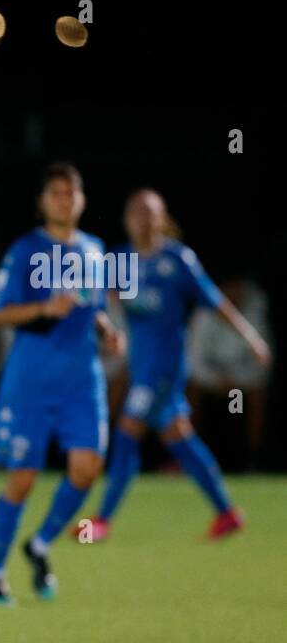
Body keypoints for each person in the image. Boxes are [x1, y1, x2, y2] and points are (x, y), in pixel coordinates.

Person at [82, 191, 271, 540]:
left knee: (125, 434)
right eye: (136, 212)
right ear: (126, 219)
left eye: (149, 213)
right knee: (180, 438)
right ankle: (227, 512)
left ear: (162, 218)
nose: (142, 219)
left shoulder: (178, 260)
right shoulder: (121, 260)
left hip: (165, 367)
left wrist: (252, 339)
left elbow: (216, 302)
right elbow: (98, 303)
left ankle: (102, 521)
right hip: (140, 365)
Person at [0, 163, 126, 605]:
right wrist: (44, 308)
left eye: (72, 193)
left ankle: (40, 544)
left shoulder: (97, 251)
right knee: (22, 479)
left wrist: (105, 329)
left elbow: (92, 305)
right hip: (33, 383)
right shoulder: (26, 250)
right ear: (43, 201)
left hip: (83, 381)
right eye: (57, 193)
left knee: (87, 468)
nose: (65, 200)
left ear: (81, 200)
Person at [187, 277, 273, 470]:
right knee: (190, 388)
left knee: (242, 402)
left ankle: (253, 455)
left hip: (240, 383)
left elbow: (261, 365)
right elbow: (195, 361)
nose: (232, 295)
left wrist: (236, 381)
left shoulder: (255, 311)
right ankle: (190, 456)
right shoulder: (203, 314)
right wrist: (217, 380)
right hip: (210, 379)